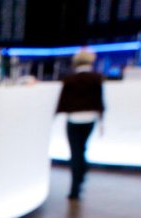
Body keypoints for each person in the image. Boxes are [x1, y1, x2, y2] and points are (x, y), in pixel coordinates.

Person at [55, 49, 104, 200]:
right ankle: (82, 174)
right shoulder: (97, 78)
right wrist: (102, 121)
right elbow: (99, 101)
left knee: (75, 153)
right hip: (90, 120)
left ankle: (75, 188)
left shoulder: (70, 80)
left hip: (74, 120)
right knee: (82, 149)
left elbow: (62, 101)